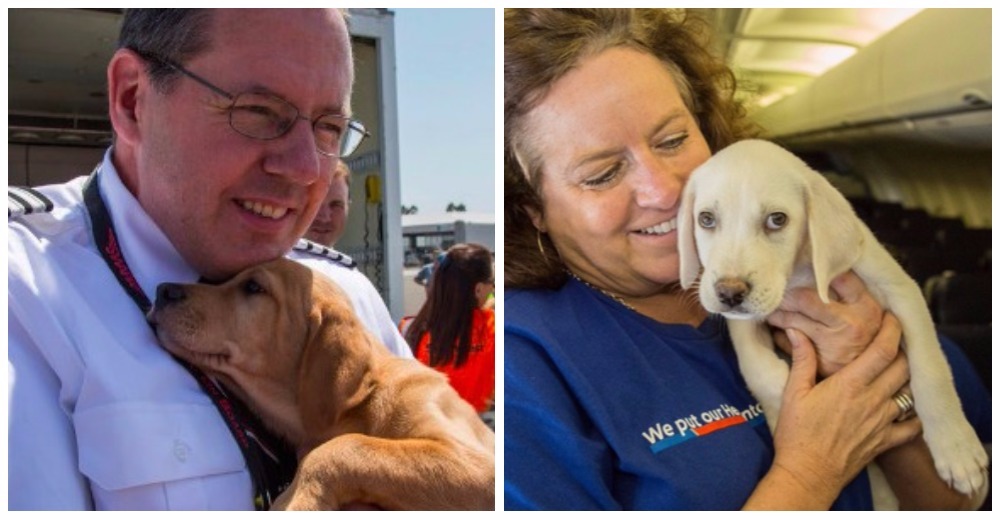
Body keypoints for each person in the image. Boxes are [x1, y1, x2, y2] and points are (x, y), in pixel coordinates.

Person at [503, 8, 990, 510]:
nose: (667, 191)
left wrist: (879, 380)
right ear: (533, 209)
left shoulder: (827, 276)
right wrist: (808, 472)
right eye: (603, 173)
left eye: (673, 141)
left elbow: (962, 502)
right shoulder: (523, 357)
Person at [8, 9, 411, 511]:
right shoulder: (21, 296)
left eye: (330, 127)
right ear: (133, 100)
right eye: (260, 111)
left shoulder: (344, 294)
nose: (308, 170)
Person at [401, 243, 495, 414]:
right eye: (492, 284)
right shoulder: (494, 327)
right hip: (479, 433)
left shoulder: (408, 329)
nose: (493, 290)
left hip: (430, 431)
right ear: (479, 289)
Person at [304, 161, 351, 247]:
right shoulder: (273, 259)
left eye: (336, 205)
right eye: (315, 203)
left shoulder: (343, 260)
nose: (325, 218)